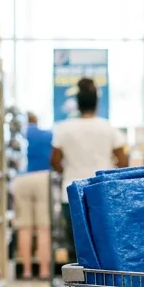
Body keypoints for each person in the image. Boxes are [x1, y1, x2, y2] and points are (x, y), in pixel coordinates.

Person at [51, 78, 127, 256]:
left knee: (77, 249)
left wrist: (68, 169)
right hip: (102, 194)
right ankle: (102, 283)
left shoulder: (63, 129)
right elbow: (123, 163)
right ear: (96, 102)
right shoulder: (108, 128)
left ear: (77, 103)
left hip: (71, 193)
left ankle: (77, 283)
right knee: (103, 247)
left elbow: (54, 161)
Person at [12, 112, 53, 280]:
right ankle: (44, 271)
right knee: (43, 228)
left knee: (24, 227)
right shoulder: (48, 134)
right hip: (43, 177)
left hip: (22, 179)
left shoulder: (21, 132)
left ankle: (27, 270)